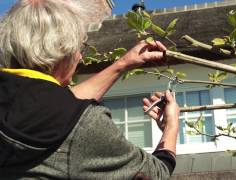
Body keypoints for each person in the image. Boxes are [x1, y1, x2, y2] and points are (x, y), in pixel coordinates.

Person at [0, 0, 180, 179]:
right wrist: (171, 126)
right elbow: (156, 174)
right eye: (80, 47)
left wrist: (123, 64)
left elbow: (50, 106)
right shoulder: (87, 126)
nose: (80, 57)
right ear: (64, 50)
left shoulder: (18, 102)